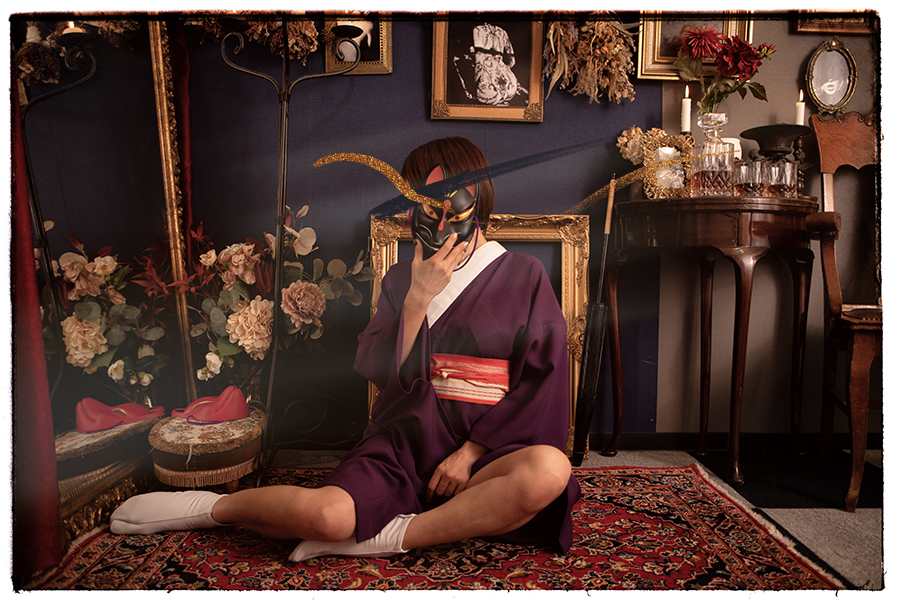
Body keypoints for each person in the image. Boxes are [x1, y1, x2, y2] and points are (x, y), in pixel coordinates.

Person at [110, 136, 580, 561]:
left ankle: (394, 536)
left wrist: (471, 453)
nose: (431, 211)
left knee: (548, 470)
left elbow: (544, 379)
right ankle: (211, 507)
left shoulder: (524, 274)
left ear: (476, 196)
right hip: (407, 440)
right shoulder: (401, 279)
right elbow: (381, 371)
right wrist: (417, 299)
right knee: (326, 517)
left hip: (488, 451)